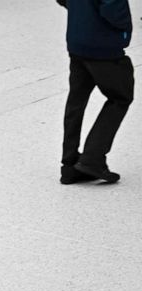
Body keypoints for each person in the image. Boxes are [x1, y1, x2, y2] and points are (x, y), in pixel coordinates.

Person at [57, 0, 134, 184]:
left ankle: (69, 164)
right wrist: (125, 26)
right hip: (103, 43)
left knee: (76, 100)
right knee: (120, 97)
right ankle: (93, 158)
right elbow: (112, 6)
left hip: (77, 39)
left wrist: (80, 11)